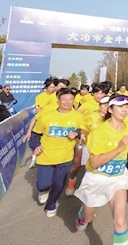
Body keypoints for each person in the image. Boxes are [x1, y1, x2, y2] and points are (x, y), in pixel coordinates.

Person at [75, 95, 128, 245]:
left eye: (127, 106)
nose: (125, 110)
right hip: (97, 177)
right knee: (88, 218)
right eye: (120, 106)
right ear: (110, 109)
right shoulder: (98, 132)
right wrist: (119, 148)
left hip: (118, 177)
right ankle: (83, 215)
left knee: (120, 220)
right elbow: (94, 162)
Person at [30, 88, 83, 217]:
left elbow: (84, 131)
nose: (67, 102)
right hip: (45, 156)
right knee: (43, 184)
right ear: (58, 101)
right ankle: (43, 190)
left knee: (59, 185)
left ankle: (51, 205)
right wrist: (36, 146)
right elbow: (35, 134)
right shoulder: (46, 116)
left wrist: (77, 133)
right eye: (64, 99)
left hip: (65, 157)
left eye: (70, 99)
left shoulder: (78, 117)